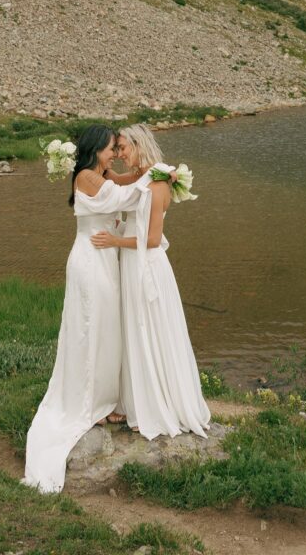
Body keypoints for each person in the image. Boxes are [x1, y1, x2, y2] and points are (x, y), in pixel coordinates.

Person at [23, 124, 145, 493]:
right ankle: (90, 403)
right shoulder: (88, 178)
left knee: (107, 329)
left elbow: (129, 179)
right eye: (111, 149)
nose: (114, 155)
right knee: (92, 328)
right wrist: (152, 180)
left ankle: (106, 400)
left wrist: (156, 168)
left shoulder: (102, 173)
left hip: (104, 259)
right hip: (90, 262)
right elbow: (128, 196)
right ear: (95, 150)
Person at [91, 123, 210, 440]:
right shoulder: (145, 175)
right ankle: (133, 403)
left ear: (138, 145)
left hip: (147, 265)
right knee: (133, 330)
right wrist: (91, 159)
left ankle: (155, 405)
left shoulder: (157, 183)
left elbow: (154, 239)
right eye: (116, 149)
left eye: (123, 148)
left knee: (149, 330)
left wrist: (115, 242)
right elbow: (113, 181)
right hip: (132, 263)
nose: (120, 154)